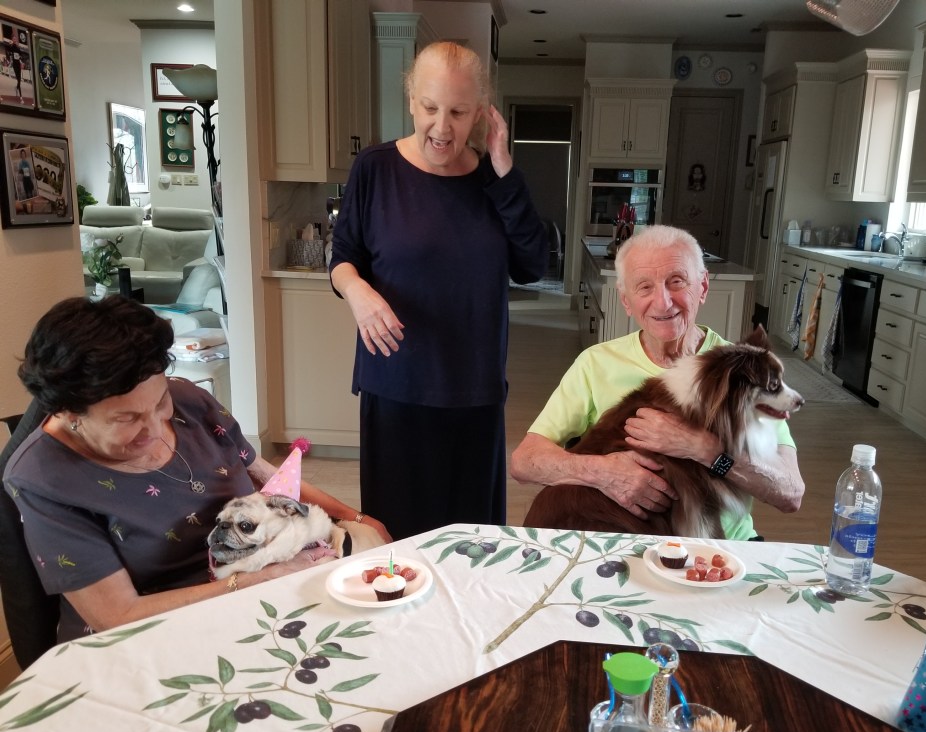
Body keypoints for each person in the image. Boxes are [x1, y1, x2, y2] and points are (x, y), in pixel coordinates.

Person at [3, 296, 391, 643]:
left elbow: (270, 479)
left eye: (160, 403)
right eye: (127, 418)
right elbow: (118, 615)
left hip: (259, 590)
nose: (156, 429)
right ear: (69, 413)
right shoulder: (45, 478)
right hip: (155, 632)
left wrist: (358, 517)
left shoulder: (191, 401)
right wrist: (259, 580)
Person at [329, 41, 547, 541]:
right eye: (430, 107)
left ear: (481, 113)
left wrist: (504, 170)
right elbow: (342, 257)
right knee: (398, 540)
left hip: (473, 388)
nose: (442, 127)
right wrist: (357, 291)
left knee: (473, 541)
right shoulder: (375, 168)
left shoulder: (495, 178)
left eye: (458, 112)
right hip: (396, 383)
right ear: (411, 100)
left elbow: (533, 265)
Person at [510, 225, 804, 539]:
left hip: (727, 545)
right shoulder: (596, 363)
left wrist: (704, 449)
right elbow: (524, 462)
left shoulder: (744, 373)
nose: (663, 302)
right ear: (626, 300)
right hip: (625, 538)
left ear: (703, 287)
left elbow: (790, 494)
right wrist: (605, 472)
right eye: (644, 287)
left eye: (677, 282)